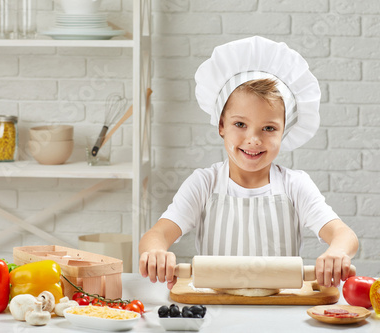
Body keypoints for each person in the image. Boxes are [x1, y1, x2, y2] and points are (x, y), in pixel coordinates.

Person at [139, 36, 358, 290]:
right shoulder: (204, 184)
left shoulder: (294, 185)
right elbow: (156, 235)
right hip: (216, 310)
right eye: (240, 124)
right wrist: (156, 252)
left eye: (268, 128)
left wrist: (337, 252)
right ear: (221, 125)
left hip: (278, 309)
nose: (253, 140)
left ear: (284, 131)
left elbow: (345, 235)